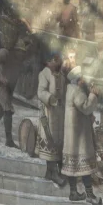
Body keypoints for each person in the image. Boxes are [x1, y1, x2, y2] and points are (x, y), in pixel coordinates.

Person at [61, 67, 102, 204]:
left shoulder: (69, 89)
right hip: (79, 134)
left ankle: (73, 192)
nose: (85, 81)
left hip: (72, 133)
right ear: (79, 80)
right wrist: (93, 95)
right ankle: (90, 195)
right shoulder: (77, 91)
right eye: (83, 78)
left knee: (72, 165)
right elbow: (85, 107)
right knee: (85, 165)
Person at [0, 27, 28, 147]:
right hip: (2, 86)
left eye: (23, 53)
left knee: (1, 108)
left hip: (10, 87)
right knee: (8, 110)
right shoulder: (5, 52)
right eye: (20, 52)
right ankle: (9, 140)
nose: (22, 55)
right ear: (15, 50)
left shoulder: (20, 58)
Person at [37, 52, 67, 187]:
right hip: (48, 112)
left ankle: (55, 171)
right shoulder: (44, 74)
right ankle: (53, 172)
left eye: (59, 60)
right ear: (49, 62)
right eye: (55, 60)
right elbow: (41, 92)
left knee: (60, 140)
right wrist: (51, 99)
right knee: (50, 139)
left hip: (60, 113)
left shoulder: (62, 76)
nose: (58, 62)